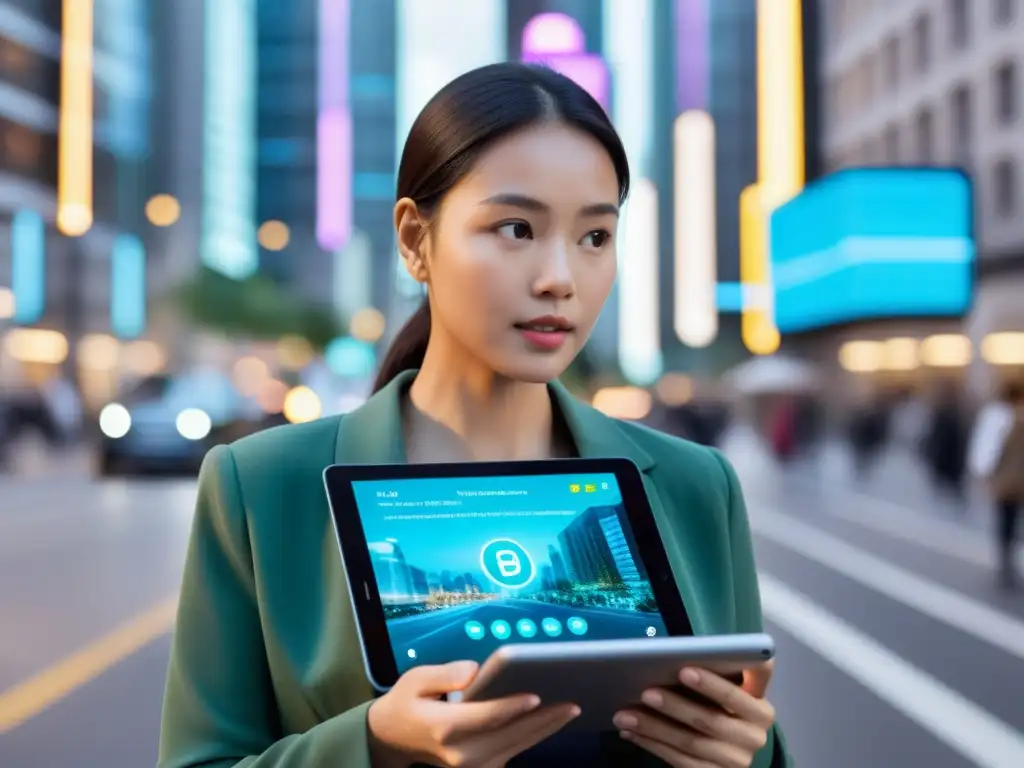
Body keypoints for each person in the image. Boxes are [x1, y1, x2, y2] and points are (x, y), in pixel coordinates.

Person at [158, 63, 789, 768]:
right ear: (413, 239)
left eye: (595, 238)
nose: (560, 277)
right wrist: (372, 744)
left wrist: (746, 754)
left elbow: (752, 738)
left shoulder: (695, 485)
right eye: (516, 228)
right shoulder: (260, 485)